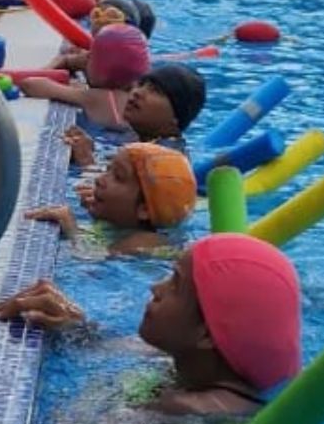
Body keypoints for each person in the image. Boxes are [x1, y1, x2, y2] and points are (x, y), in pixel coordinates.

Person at [0, 233, 302, 417]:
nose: (156, 288)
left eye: (175, 284)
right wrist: (74, 327)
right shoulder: (190, 367)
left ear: (207, 333)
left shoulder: (184, 409)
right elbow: (105, 348)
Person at [24, 142, 197, 256]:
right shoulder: (119, 225)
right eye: (108, 170)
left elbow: (89, 261)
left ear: (144, 210)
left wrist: (71, 227)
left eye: (118, 177)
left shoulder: (144, 242)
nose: (100, 180)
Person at [63, 62, 204, 168]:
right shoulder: (138, 138)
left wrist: (87, 161)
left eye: (155, 91)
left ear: (176, 116)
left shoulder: (166, 162)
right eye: (141, 84)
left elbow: (120, 204)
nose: (137, 92)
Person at [19, 23, 151, 132]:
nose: (87, 56)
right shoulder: (139, 99)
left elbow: (30, 84)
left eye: (91, 55)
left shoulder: (96, 97)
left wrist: (62, 60)